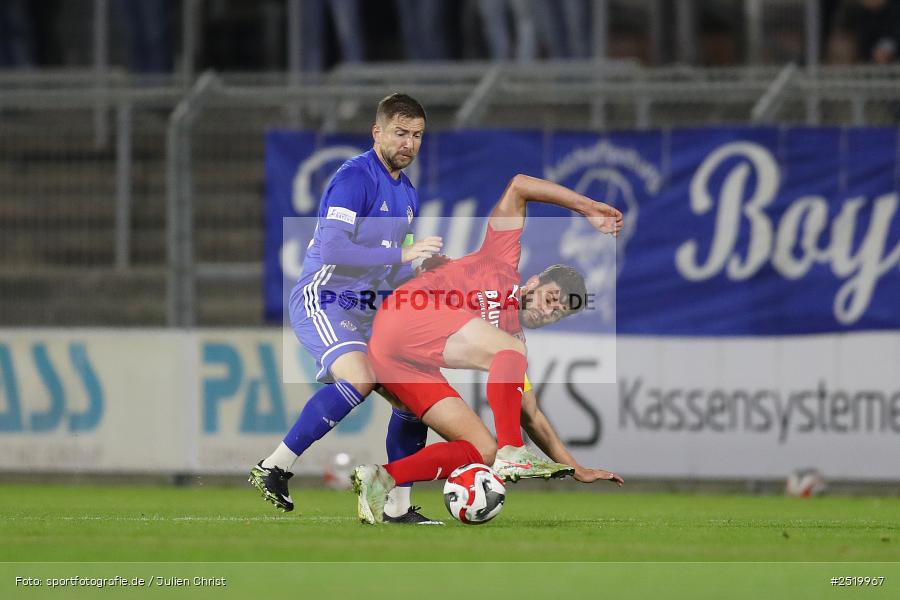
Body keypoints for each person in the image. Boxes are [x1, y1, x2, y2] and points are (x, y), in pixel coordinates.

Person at [352, 174, 625, 524]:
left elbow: (531, 413)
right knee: (512, 358)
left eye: (559, 312)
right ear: (534, 281)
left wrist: (576, 468)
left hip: (403, 361)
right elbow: (519, 186)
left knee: (482, 448)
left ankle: (380, 479)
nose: (549, 308)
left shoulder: (511, 345)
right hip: (406, 311)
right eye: (551, 297)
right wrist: (587, 207)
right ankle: (513, 451)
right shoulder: (502, 259)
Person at [250, 93, 446, 525]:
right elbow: (337, 248)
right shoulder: (355, 177)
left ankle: (397, 508)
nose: (409, 144)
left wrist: (428, 276)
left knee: (415, 398)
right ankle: (274, 467)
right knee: (359, 377)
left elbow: (388, 264)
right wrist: (404, 256)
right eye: (400, 133)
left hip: (365, 308)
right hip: (324, 298)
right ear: (377, 132)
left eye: (417, 136)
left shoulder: (407, 193)